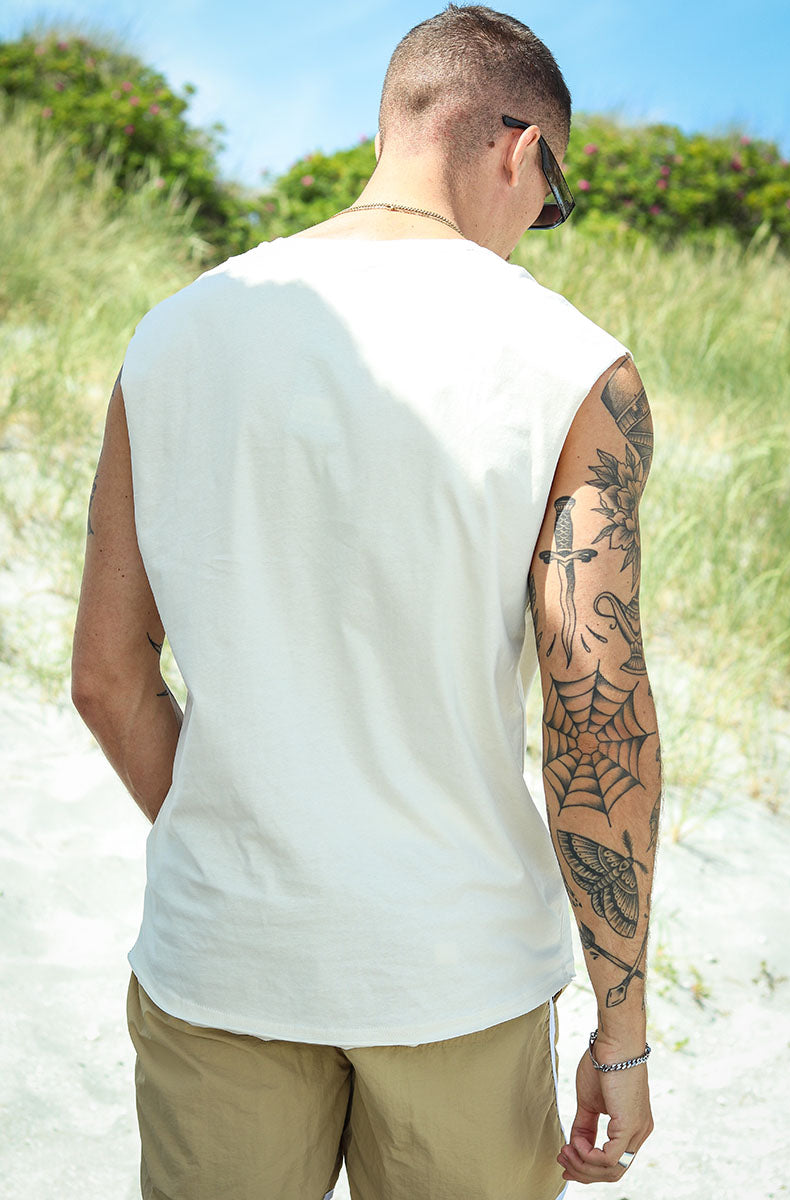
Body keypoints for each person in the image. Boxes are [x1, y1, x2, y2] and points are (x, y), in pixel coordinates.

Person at [71, 4, 661, 1197]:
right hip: (455, 975)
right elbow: (593, 708)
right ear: (517, 149)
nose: (534, 230)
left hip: (222, 958)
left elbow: (106, 677)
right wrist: (621, 1031)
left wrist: (250, 852)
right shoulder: (572, 367)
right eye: (549, 202)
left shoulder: (172, 337)